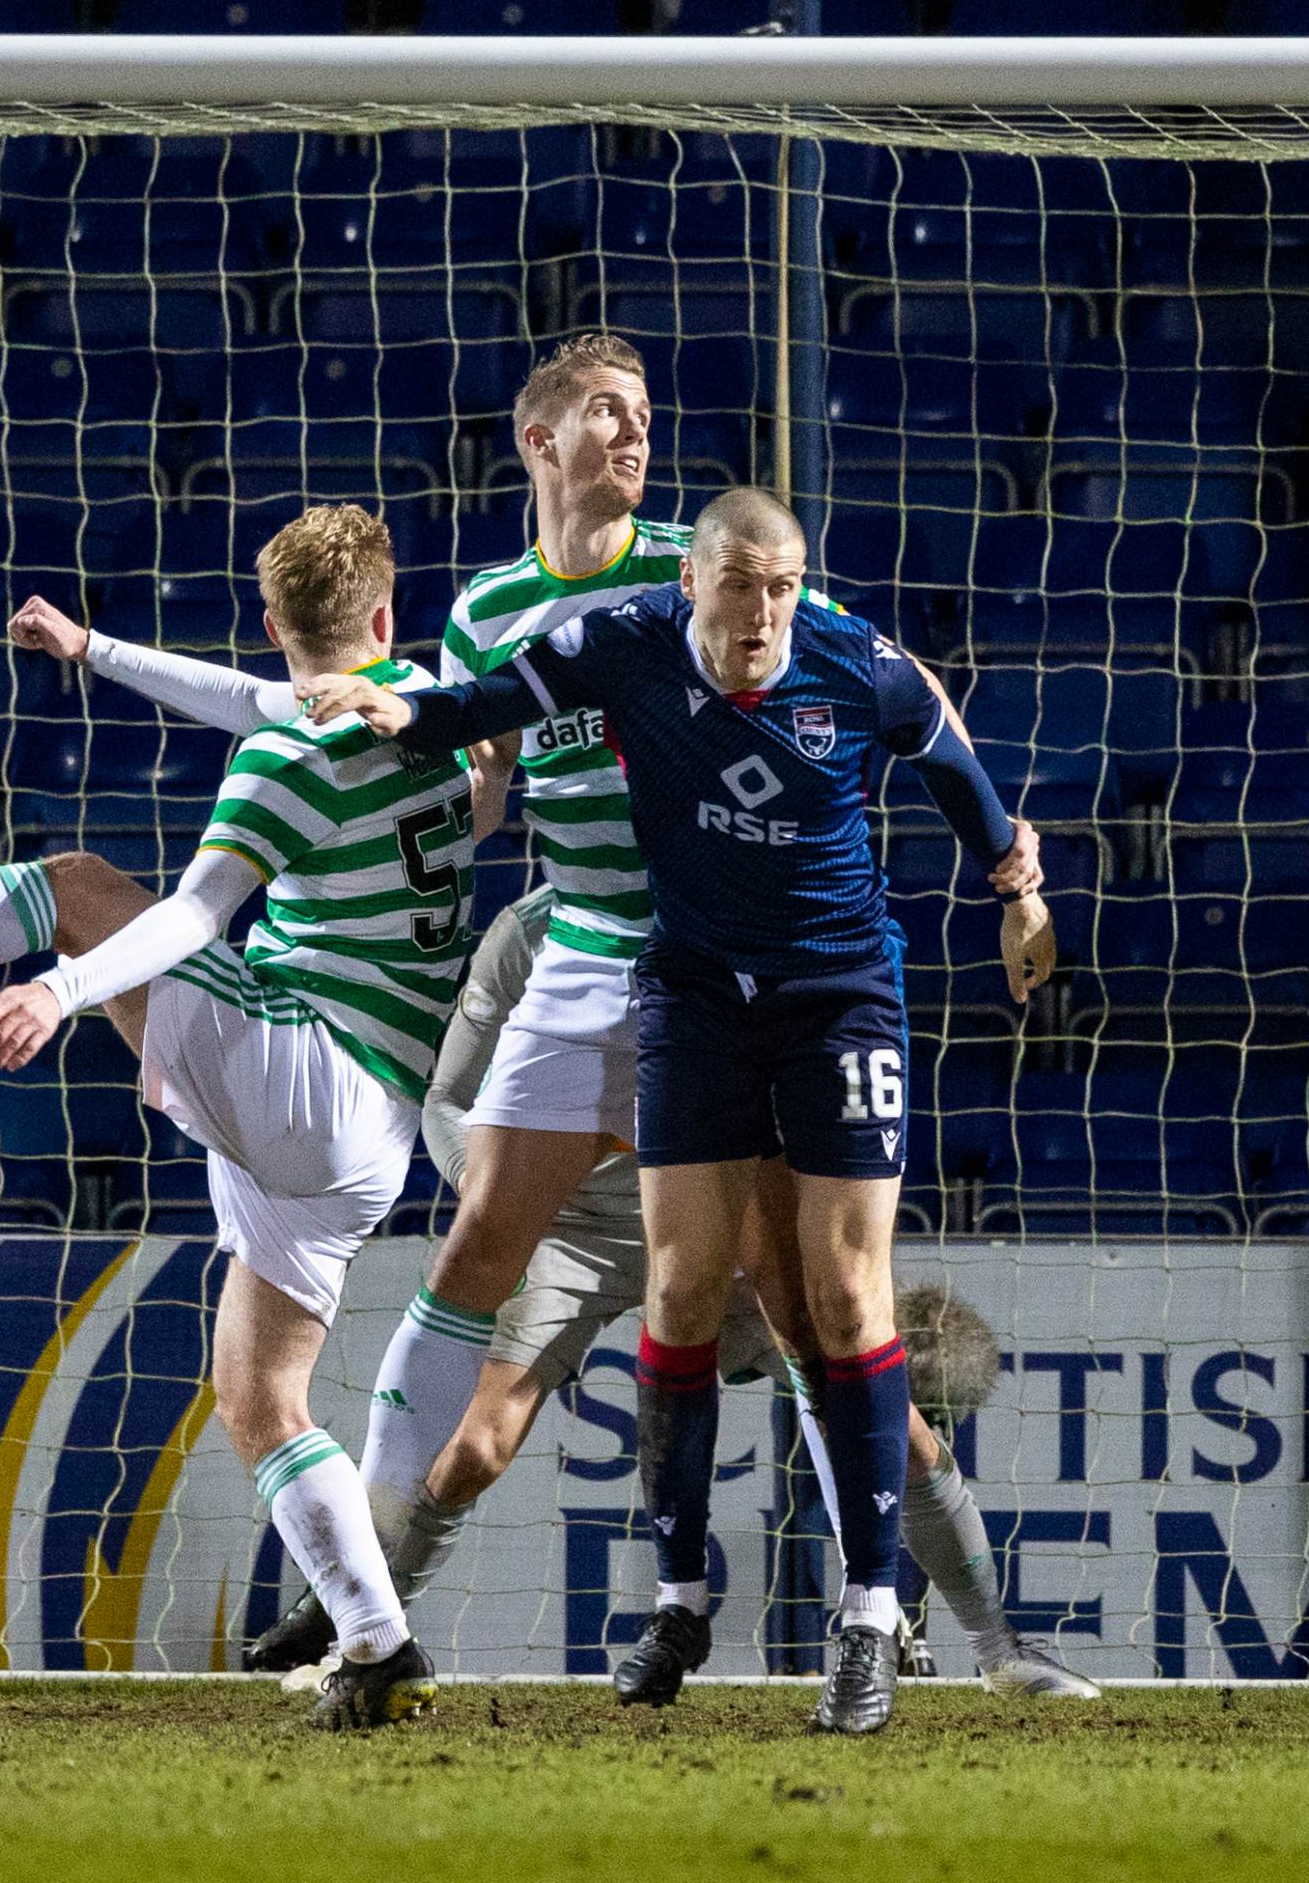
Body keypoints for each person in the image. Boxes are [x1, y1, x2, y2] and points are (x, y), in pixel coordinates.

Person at [299, 484, 1050, 1737]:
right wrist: (402, 708)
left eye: (785, 584)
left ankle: (874, 1617)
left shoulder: (856, 660)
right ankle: (678, 1595)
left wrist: (1018, 891)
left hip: (837, 1001)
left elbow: (957, 772)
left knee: (846, 1303)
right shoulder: (625, 642)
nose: (765, 610)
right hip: (695, 1002)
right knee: (681, 1290)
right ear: (693, 582)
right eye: (742, 583)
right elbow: (486, 708)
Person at [0, 503, 475, 1733]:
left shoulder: (285, 760)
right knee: (258, 1395)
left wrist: (61, 987)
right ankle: (378, 1641)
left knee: (79, 887)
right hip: (373, 1132)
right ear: (384, 619)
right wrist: (98, 652)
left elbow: (192, 913)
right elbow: (256, 697)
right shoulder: (429, 707)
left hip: (307, 1066)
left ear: (269, 618)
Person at [241, 883, 1099, 1701]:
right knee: (471, 1452)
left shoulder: (723, 911)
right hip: (571, 1232)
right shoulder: (531, 931)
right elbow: (448, 1098)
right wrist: (503, 1198)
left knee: (884, 1426)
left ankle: (994, 1646)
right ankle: (360, 1626)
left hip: (716, 1222)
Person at [356, 333, 698, 1598]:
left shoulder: (696, 572)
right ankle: (365, 1600)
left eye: (646, 411)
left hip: (718, 983)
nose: (636, 430)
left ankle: (894, 1612)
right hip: (594, 972)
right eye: (609, 410)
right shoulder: (485, 614)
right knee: (472, 1285)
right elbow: (480, 792)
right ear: (540, 440)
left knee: (836, 1330)